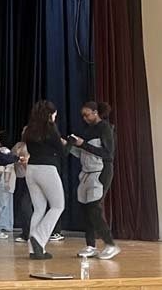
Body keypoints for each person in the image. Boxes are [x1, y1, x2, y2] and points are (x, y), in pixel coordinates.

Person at [70, 101, 120, 260]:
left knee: (94, 208)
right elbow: (84, 153)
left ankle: (110, 244)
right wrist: (71, 146)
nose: (84, 118)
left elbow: (107, 154)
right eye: (82, 115)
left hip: (101, 172)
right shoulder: (88, 130)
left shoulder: (105, 127)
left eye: (87, 114)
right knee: (86, 209)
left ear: (95, 112)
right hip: (87, 173)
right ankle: (90, 245)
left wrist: (83, 144)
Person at [23, 100, 67, 260]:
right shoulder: (50, 128)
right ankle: (38, 239)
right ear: (50, 115)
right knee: (57, 206)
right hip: (47, 169)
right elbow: (62, 152)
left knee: (39, 209)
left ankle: (34, 250)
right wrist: (70, 144)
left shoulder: (29, 130)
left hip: (31, 169)